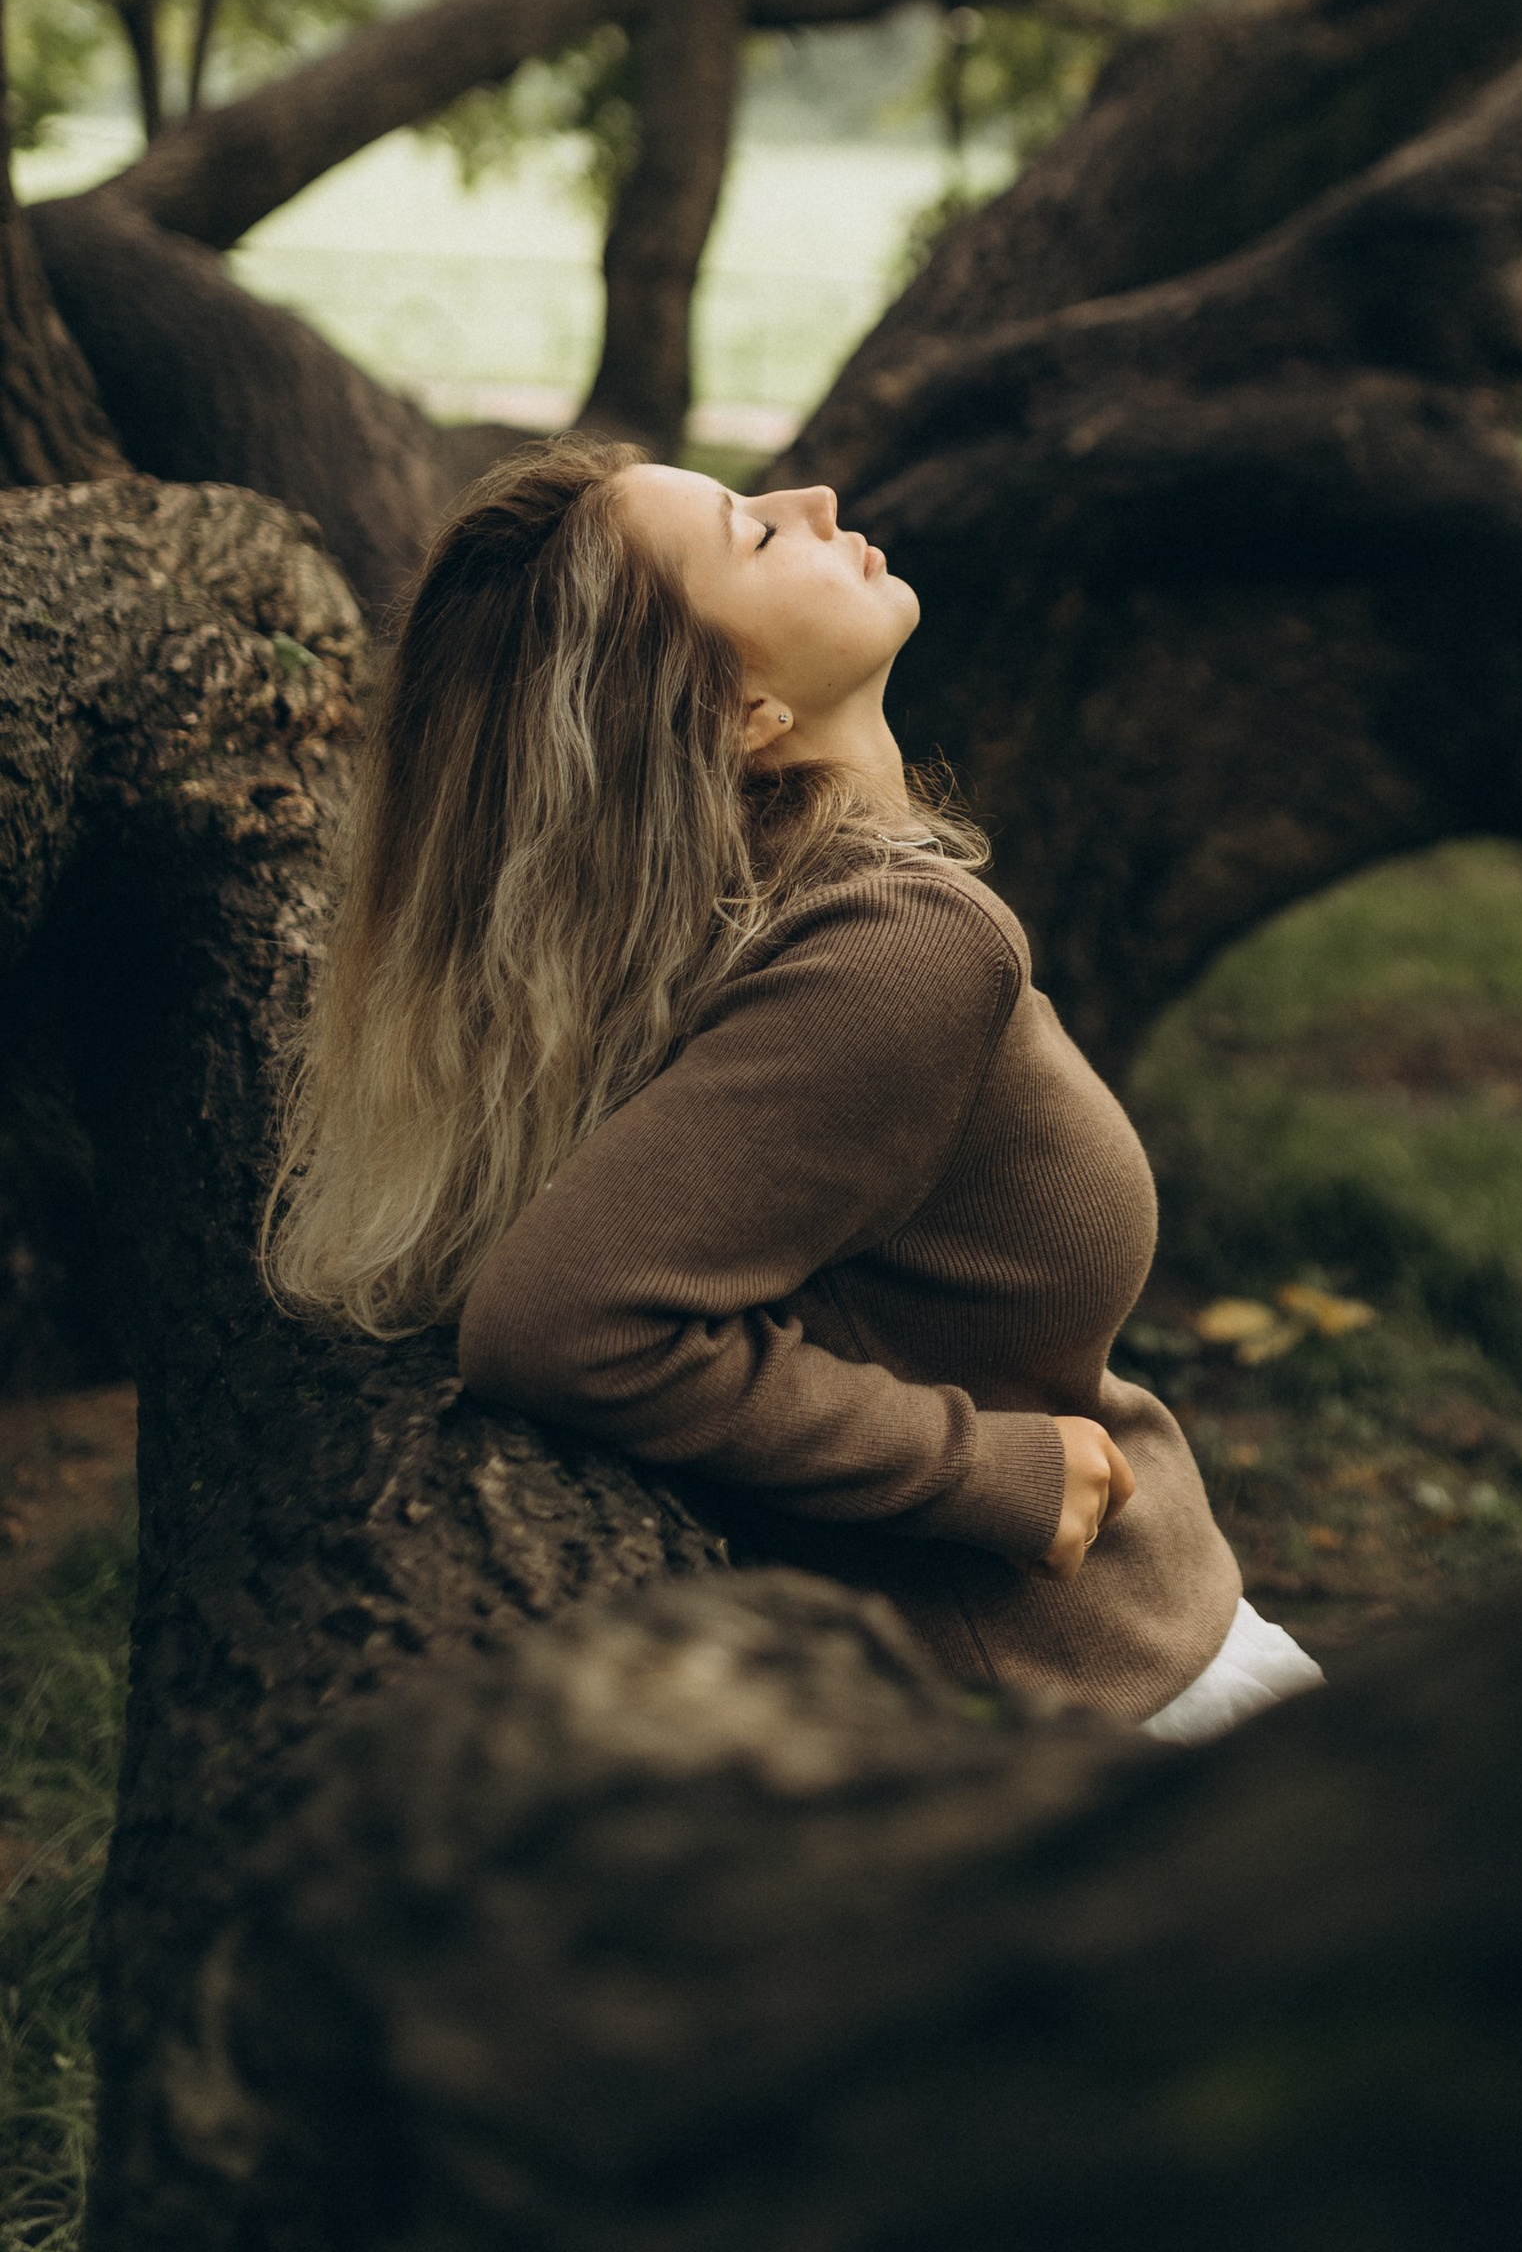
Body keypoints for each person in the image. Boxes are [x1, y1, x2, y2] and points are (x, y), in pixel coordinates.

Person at [262, 437, 1322, 1745]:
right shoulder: (899, 951)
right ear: (734, 711)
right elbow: (558, 1322)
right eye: (753, 535)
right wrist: (976, 1465)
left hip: (1117, 1633)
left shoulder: (686, 929)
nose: (811, 501)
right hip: (1091, 1700)